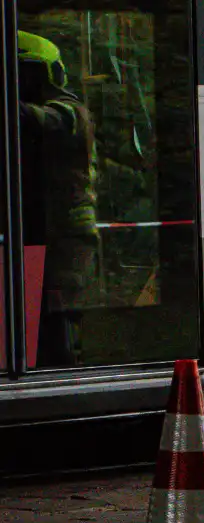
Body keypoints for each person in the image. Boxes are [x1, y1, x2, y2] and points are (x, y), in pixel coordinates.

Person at [17, 30, 99, 367]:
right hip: (47, 232)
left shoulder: (70, 112)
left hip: (67, 239)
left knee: (59, 318)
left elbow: (38, 120)